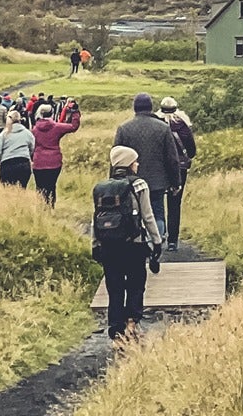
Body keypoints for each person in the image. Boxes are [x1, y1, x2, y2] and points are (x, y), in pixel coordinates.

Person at [91, 144, 164, 343]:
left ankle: (116, 330)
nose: (137, 163)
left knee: (114, 288)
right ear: (128, 163)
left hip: (108, 246)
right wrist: (156, 242)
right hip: (134, 244)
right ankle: (132, 322)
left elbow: (95, 219)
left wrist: (95, 244)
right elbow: (148, 216)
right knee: (135, 284)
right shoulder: (139, 185)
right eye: (135, 160)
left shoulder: (100, 187)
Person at [113, 94, 183, 207]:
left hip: (130, 182)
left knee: (133, 213)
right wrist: (176, 182)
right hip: (157, 182)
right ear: (151, 108)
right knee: (158, 214)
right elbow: (172, 159)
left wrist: (113, 182)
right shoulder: (163, 128)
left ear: (134, 108)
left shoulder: (124, 129)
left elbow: (116, 158)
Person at [158, 97, 197, 249]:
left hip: (160, 168)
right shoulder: (183, 124)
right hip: (180, 168)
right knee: (175, 204)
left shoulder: (157, 124)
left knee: (158, 202)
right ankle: (173, 241)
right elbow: (192, 150)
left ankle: (159, 235)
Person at [30, 99, 81, 210]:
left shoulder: (34, 130)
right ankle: (50, 207)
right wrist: (75, 112)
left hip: (39, 162)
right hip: (54, 161)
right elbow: (73, 126)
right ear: (52, 113)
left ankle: (41, 209)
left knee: (40, 187)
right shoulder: (56, 127)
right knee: (51, 186)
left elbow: (31, 146)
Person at [0, 109, 35, 188]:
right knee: (22, 189)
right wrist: (28, 155)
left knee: (8, 191)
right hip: (24, 164)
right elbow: (32, 148)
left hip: (7, 165)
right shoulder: (27, 133)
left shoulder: (4, 134)